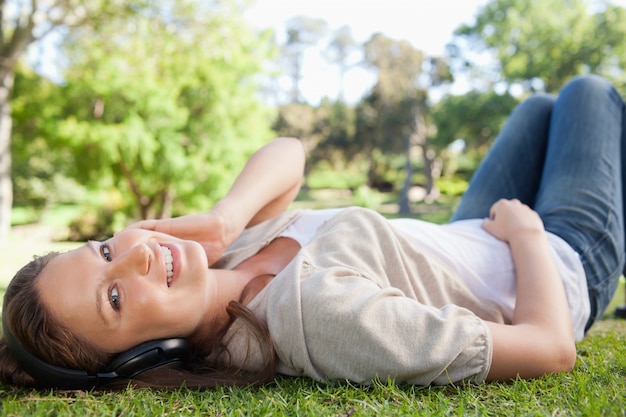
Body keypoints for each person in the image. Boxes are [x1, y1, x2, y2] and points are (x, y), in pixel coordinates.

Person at [1, 74, 623, 390]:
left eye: (106, 249)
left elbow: (289, 154)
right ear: (141, 358)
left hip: (468, 235)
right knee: (588, 91)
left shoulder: (225, 260)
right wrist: (529, 235)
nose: (132, 259)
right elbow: (550, 348)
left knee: (539, 109)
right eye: (113, 296)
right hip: (555, 264)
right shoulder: (321, 317)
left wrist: (225, 220)